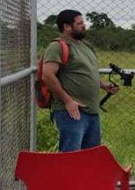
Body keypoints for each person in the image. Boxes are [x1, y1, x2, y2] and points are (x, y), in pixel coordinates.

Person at [40, 10, 119, 152]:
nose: (84, 26)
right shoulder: (57, 46)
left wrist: (103, 85)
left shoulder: (86, 46)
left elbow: (87, 71)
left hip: (91, 111)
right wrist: (68, 101)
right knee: (71, 156)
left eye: (83, 22)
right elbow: (47, 75)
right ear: (67, 27)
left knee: (90, 156)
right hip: (71, 112)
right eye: (79, 23)